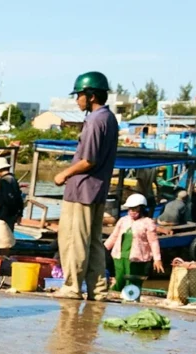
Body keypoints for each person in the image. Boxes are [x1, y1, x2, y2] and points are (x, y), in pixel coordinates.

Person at [52, 71, 118, 300]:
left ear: (90, 96)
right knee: (94, 242)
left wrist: (64, 174)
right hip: (97, 190)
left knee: (74, 240)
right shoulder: (109, 118)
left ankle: (72, 287)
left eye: (79, 95)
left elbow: (88, 160)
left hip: (82, 190)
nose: (77, 100)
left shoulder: (95, 121)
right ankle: (98, 289)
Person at [105, 193, 164, 295]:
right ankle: (113, 299)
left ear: (141, 209)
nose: (132, 211)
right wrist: (103, 250)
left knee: (132, 282)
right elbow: (114, 236)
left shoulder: (148, 223)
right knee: (118, 280)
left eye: (135, 209)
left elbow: (153, 242)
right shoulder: (123, 221)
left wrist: (157, 259)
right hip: (119, 257)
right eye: (130, 209)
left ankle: (131, 301)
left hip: (138, 259)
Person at [0, 157, 23, 226]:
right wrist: (19, 214)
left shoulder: (4, 181)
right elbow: (19, 198)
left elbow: (1, 201)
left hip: (3, 216)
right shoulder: (13, 179)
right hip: (12, 215)